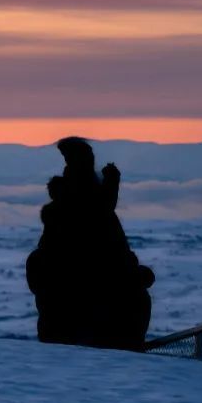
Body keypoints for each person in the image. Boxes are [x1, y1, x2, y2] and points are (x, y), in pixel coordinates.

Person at [27, 137, 154, 350]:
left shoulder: (65, 215)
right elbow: (102, 206)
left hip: (69, 322)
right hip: (98, 321)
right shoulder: (92, 214)